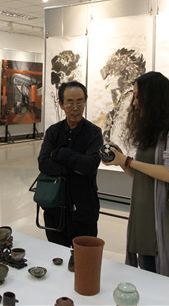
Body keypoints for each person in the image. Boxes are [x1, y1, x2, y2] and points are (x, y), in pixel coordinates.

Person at [102, 71, 169, 281]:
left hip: (165, 220)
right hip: (145, 219)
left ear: (154, 98)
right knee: (146, 277)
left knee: (164, 284)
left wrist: (128, 161)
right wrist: (121, 160)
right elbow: (143, 175)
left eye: (138, 96)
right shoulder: (151, 130)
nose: (134, 103)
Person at [37, 81, 103, 247]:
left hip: (84, 206)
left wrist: (59, 153)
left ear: (85, 102)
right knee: (56, 252)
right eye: (70, 103)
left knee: (84, 255)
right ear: (61, 104)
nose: (75, 108)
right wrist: (74, 167)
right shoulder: (53, 131)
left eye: (80, 102)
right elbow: (43, 163)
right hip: (55, 207)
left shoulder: (94, 133)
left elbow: (89, 166)